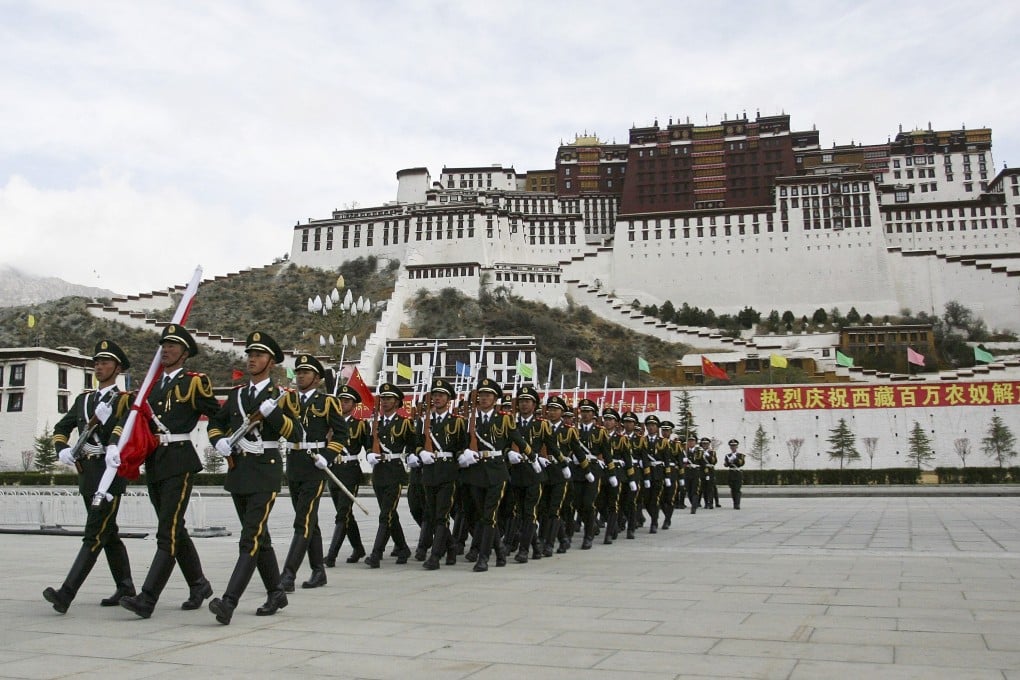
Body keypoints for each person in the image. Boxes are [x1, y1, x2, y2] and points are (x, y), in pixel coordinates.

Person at [118, 325, 220, 619]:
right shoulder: (152, 385)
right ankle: (199, 584)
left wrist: (224, 439)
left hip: (179, 460)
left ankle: (147, 598)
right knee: (175, 527)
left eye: (173, 346)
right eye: (164, 345)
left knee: (167, 530)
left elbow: (217, 414)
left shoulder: (194, 382)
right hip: (156, 460)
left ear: (185, 353)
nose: (166, 350)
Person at [207, 331, 302, 624]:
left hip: (265, 472)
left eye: (259, 355)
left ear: (271, 361)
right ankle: (276, 592)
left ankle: (229, 601)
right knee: (260, 537)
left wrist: (273, 415)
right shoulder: (237, 394)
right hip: (239, 472)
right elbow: (215, 424)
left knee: (249, 538)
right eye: (250, 354)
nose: (252, 359)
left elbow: (297, 435)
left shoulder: (282, 397)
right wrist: (218, 441)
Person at [45, 340, 134, 614]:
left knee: (94, 534)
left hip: (108, 475)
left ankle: (66, 593)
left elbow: (125, 430)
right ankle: (126, 587)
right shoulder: (84, 400)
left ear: (117, 368)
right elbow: (62, 427)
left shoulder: (124, 400)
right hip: (87, 474)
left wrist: (108, 430)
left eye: (105, 362)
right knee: (108, 533)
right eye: (96, 362)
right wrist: (63, 450)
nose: (99, 366)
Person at [278, 354, 347, 592]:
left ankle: (287, 575)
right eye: (298, 372)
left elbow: (341, 434)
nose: (300, 376)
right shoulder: (287, 400)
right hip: (295, 464)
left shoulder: (327, 402)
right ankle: (319, 571)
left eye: (305, 372)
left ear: (317, 378)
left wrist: (327, 456)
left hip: (315, 466)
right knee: (309, 521)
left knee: (302, 521)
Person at [460, 377, 530, 572]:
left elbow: (517, 439)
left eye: (488, 395)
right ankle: (499, 549)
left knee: (489, 515)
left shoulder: (504, 419)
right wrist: (463, 454)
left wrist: (531, 456)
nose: (484, 398)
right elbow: (461, 443)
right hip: (475, 471)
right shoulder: (470, 420)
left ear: (495, 399)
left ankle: (483, 558)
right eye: (481, 395)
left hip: (496, 471)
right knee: (482, 514)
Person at [416, 377, 467, 570]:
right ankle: (451, 546)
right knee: (432, 512)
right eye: (435, 395)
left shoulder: (457, 422)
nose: (437, 398)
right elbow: (416, 443)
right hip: (429, 471)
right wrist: (420, 452)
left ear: (449, 399)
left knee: (442, 514)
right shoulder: (424, 421)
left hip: (447, 471)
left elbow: (462, 445)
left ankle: (435, 555)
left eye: (441, 395)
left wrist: (462, 456)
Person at [364, 382, 414, 568]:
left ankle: (376, 554)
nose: (385, 402)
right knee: (390, 513)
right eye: (383, 398)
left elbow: (412, 444)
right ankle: (402, 547)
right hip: (379, 472)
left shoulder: (404, 423)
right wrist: (369, 453)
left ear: (397, 402)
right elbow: (370, 443)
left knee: (385, 515)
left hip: (394, 471)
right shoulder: (375, 423)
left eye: (389, 399)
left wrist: (412, 456)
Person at [508, 385, 558, 563]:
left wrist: (560, 462)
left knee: (530, 512)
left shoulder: (542, 424)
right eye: (521, 401)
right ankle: (536, 546)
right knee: (520, 513)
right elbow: (503, 442)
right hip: (516, 472)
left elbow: (552, 446)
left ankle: (523, 550)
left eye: (527, 401)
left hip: (534, 473)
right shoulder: (510, 422)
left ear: (534, 404)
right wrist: (508, 452)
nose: (524, 404)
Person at [324, 384, 370, 566]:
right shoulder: (330, 423)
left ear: (354, 405)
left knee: (342, 514)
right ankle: (358, 548)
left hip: (350, 470)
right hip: (333, 469)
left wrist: (372, 456)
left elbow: (368, 445)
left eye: (347, 401)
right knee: (345, 513)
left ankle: (332, 555)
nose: (343, 404)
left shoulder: (359, 424)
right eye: (340, 401)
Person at [537, 396, 575, 557]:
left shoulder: (568, 430)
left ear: (562, 412)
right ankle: (563, 537)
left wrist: (586, 469)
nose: (552, 412)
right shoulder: (541, 426)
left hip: (560, 472)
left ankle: (549, 543)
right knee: (542, 509)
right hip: (544, 471)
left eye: (555, 410)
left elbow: (577, 450)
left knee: (554, 510)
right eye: (550, 409)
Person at [572, 399, 607, 550]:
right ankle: (591, 524)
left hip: (593, 469)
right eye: (583, 411)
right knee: (577, 503)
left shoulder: (600, 431)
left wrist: (610, 472)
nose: (585, 414)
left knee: (588, 502)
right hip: (577, 469)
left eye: (588, 412)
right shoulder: (573, 430)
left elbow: (606, 452)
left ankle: (588, 535)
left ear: (593, 414)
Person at [723, 438, 746, 509]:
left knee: (737, 489)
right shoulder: (727, 455)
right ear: (730, 447)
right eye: (732, 446)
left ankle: (737, 504)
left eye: (734, 446)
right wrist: (728, 462)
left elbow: (741, 463)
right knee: (732, 489)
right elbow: (726, 465)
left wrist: (735, 459)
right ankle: (734, 502)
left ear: (737, 446)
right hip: (731, 473)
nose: (733, 447)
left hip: (738, 473)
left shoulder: (740, 455)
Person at [700, 437, 719, 509]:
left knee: (710, 488)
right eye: (703, 444)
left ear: (709, 444)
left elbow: (714, 461)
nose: (705, 445)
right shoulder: (699, 452)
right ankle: (706, 503)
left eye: (706, 444)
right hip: (702, 471)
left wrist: (708, 455)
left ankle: (710, 503)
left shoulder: (712, 452)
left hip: (710, 471)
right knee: (704, 488)